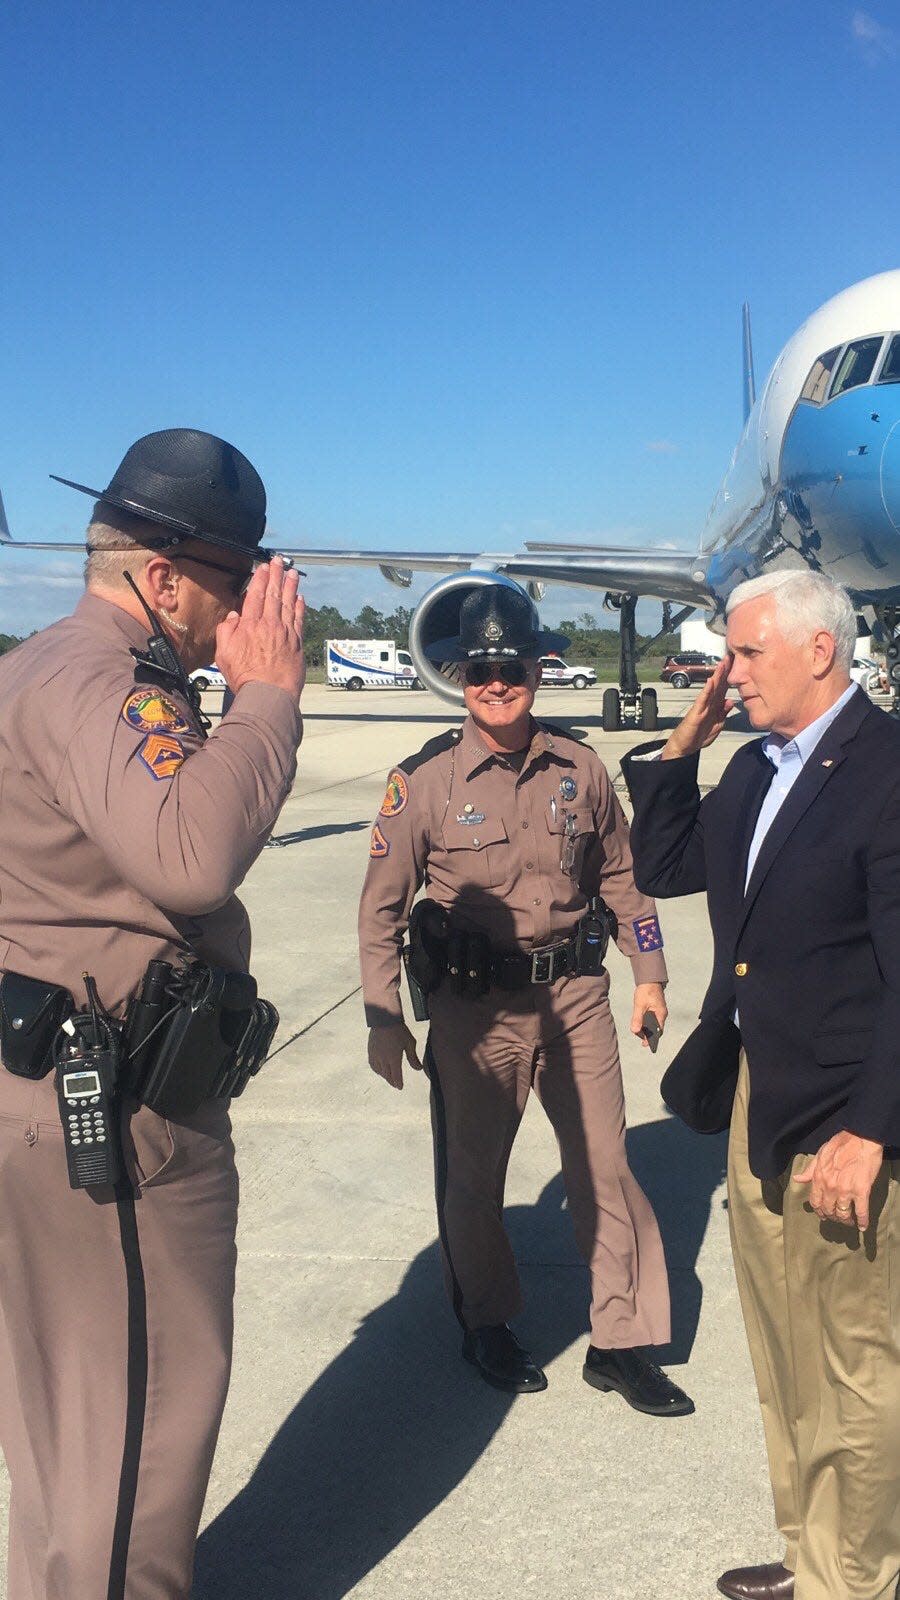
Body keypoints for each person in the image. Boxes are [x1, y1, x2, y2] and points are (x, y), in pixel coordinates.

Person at [0, 429, 305, 1599]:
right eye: (234, 583)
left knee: (71, 1446)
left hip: (55, 1096)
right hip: (116, 1127)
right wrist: (270, 695)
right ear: (164, 578)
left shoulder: (38, 667)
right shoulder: (104, 682)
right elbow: (190, 856)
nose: (246, 612)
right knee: (140, 1439)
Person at [621, 569, 900, 1600]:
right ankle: (808, 1554)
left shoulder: (885, 769)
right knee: (784, 1352)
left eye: (744, 653)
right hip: (759, 1098)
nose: (725, 671)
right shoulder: (753, 768)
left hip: (845, 1121)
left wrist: (873, 1129)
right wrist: (683, 744)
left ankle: (855, 1580)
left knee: (855, 1369)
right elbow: (664, 859)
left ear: (818, 650)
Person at [358, 581, 693, 1414]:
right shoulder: (424, 782)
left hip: (576, 998)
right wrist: (381, 1016)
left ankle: (619, 1342)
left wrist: (649, 974)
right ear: (459, 676)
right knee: (474, 1179)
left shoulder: (580, 769)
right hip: (476, 1017)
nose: (496, 683)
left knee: (605, 1170)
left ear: (536, 668)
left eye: (510, 667)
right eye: (480, 671)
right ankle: (487, 1324)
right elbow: (381, 908)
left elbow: (624, 878)